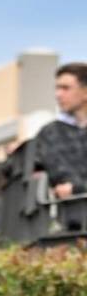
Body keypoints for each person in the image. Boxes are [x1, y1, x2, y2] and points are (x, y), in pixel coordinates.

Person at [33, 63, 87, 232]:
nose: (58, 94)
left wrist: (77, 188)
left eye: (65, 88)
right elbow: (32, 170)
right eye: (57, 88)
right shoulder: (48, 133)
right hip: (68, 227)